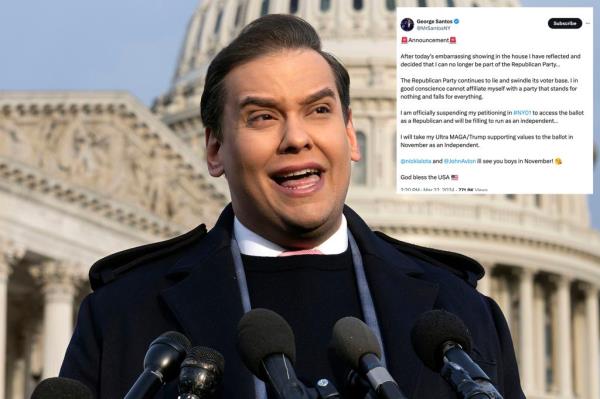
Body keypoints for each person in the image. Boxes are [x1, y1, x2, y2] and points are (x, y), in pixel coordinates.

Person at [60, 14, 525, 399]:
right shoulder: (123, 313)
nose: (297, 138)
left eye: (318, 111)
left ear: (349, 135)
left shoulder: (462, 316)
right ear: (215, 149)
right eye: (262, 117)